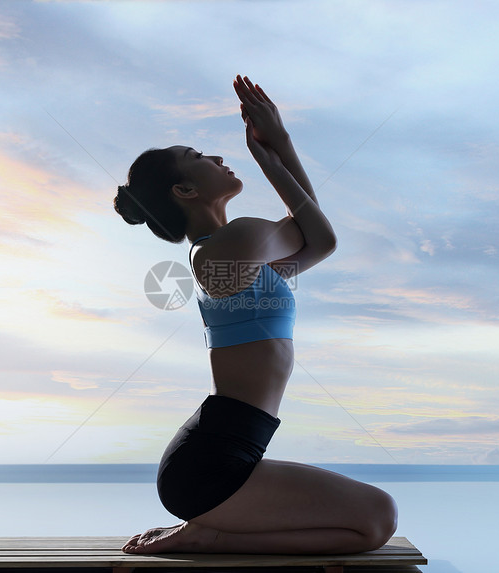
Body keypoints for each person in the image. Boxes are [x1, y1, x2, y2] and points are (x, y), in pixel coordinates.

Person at [112, 75, 397, 555]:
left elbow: (319, 242)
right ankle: (210, 534)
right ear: (184, 189)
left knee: (374, 522)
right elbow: (312, 227)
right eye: (198, 156)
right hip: (211, 463)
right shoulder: (228, 249)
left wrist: (278, 149)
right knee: (377, 520)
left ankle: (209, 532)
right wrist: (274, 151)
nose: (217, 158)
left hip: (229, 449)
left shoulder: (238, 257)